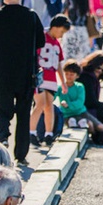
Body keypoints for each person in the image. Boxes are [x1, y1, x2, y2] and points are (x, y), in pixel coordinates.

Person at [0, 0, 45, 165]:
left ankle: (2, 139)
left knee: (2, 110)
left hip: (1, 70)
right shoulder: (32, 17)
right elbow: (40, 42)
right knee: (24, 113)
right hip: (25, 72)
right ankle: (21, 153)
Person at [57, 60, 103, 144]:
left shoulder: (79, 86)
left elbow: (80, 102)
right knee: (75, 122)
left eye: (71, 74)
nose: (68, 76)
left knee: (99, 125)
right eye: (66, 74)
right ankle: (89, 132)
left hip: (81, 112)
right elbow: (53, 96)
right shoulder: (60, 87)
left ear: (77, 76)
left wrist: (68, 105)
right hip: (68, 114)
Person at [31, 15, 69, 147]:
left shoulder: (57, 44)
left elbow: (58, 63)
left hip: (52, 78)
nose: (61, 35)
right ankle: (31, 131)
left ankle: (48, 133)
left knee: (49, 106)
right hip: (40, 76)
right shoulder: (42, 37)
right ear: (55, 27)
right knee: (40, 104)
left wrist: (62, 81)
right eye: (62, 31)